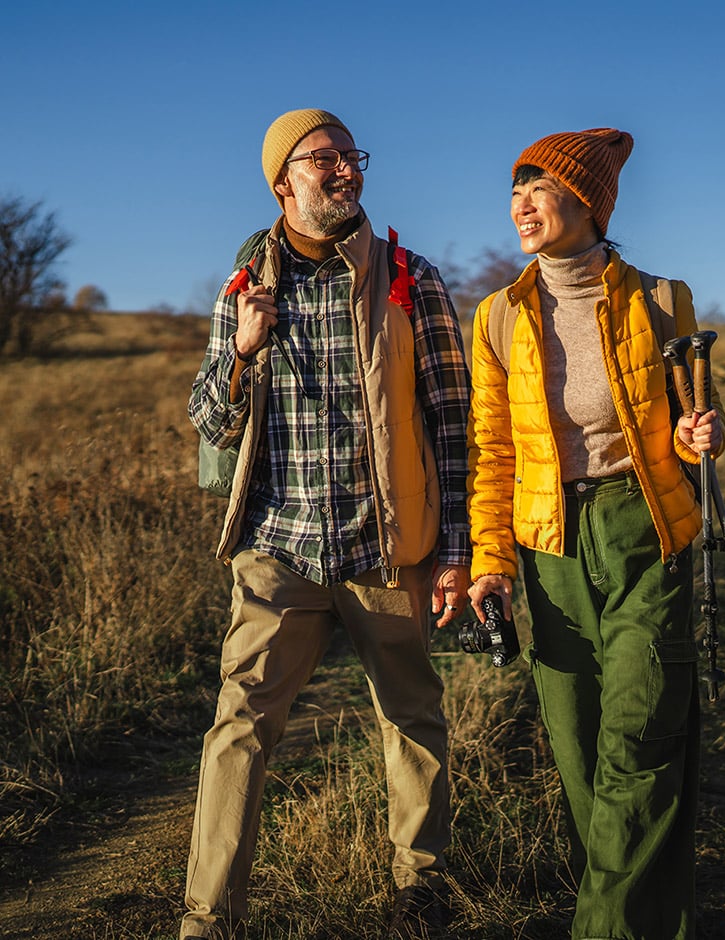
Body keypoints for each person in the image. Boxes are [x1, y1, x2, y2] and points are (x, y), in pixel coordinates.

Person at [182, 108, 471, 940]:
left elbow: (453, 422)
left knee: (412, 719)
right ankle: (209, 918)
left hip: (386, 547)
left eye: (353, 156)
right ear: (283, 184)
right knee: (239, 725)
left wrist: (454, 548)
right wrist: (241, 350)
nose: (346, 171)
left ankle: (421, 890)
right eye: (324, 161)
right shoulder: (245, 289)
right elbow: (209, 417)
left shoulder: (411, 277)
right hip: (279, 552)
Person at [466, 128, 725, 939]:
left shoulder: (660, 298)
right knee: (580, 754)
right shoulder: (497, 318)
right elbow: (491, 451)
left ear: (587, 203)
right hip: (549, 547)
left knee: (641, 738)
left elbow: (686, 422)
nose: (522, 205)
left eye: (539, 189)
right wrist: (490, 564)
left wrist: (702, 437)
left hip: (646, 526)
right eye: (516, 191)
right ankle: (649, 921)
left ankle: (604, 929)